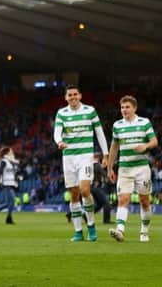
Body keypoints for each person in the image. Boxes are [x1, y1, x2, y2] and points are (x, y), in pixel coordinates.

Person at [53, 85, 109, 242]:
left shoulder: (90, 111)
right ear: (66, 98)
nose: (72, 97)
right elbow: (57, 132)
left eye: (75, 94)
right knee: (74, 195)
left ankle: (91, 225)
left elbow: (99, 132)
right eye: (69, 95)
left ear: (80, 95)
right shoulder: (62, 113)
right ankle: (78, 231)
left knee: (85, 190)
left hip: (85, 156)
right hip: (69, 157)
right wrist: (60, 142)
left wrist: (105, 153)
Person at [107, 95, 158, 242]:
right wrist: (110, 168)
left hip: (142, 168)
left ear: (134, 108)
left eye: (127, 107)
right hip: (124, 169)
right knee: (123, 199)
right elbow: (114, 147)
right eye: (122, 107)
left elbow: (154, 141)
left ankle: (144, 231)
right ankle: (120, 231)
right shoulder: (117, 125)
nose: (124, 110)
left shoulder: (144, 123)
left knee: (144, 201)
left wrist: (146, 146)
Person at [64, 153, 112, 224]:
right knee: (106, 203)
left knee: (94, 204)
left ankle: (72, 214)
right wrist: (110, 179)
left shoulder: (86, 165)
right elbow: (104, 175)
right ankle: (106, 220)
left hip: (85, 186)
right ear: (98, 158)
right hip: (95, 187)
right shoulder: (97, 165)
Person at [0, 147, 21, 224]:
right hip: (5, 184)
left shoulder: (10, 162)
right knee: (12, 201)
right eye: (10, 151)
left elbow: (12, 173)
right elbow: (0, 171)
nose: (12, 152)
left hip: (10, 183)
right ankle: (8, 218)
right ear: (7, 153)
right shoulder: (3, 161)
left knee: (9, 203)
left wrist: (17, 179)